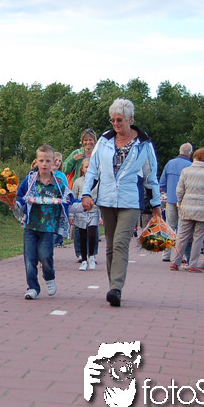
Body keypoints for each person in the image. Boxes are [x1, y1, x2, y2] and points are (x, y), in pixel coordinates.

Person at [81, 98, 161, 307]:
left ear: (130, 119)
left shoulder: (143, 144)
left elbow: (150, 175)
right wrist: (86, 194)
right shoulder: (104, 141)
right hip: (106, 198)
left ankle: (116, 287)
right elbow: (93, 169)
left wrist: (156, 204)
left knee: (120, 242)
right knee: (110, 245)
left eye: (120, 120)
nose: (116, 124)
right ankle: (113, 286)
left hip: (130, 200)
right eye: (113, 120)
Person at [16, 144, 81, 299]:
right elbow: (20, 197)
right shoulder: (30, 180)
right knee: (30, 258)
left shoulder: (58, 183)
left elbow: (69, 200)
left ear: (53, 162)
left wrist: (83, 205)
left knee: (45, 256)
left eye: (47, 160)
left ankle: (49, 276)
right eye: (41, 160)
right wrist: (15, 204)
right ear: (36, 162)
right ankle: (33, 287)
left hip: (49, 227)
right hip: (31, 226)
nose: (44, 164)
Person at [170, 149, 204, 272]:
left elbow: (179, 190)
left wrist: (180, 202)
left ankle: (175, 262)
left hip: (187, 207)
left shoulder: (186, 171)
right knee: (198, 238)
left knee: (182, 236)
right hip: (203, 210)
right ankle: (193, 264)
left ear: (195, 158)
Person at [64, 130, 97, 261]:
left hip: (94, 189)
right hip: (79, 188)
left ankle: (92, 253)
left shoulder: (98, 153)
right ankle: (79, 253)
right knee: (79, 224)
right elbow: (64, 168)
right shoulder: (77, 153)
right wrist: (73, 160)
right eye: (85, 140)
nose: (88, 143)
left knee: (93, 225)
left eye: (90, 140)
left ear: (94, 141)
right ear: (82, 141)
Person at [159, 142, 193, 263]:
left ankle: (166, 254)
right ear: (191, 153)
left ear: (179, 151)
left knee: (169, 226)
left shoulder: (170, 163)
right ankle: (180, 254)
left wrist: (170, 192)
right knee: (183, 229)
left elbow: (162, 183)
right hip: (185, 201)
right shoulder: (190, 166)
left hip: (171, 200)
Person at [72, 158, 100, 270]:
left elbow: (101, 197)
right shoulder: (78, 181)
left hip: (94, 211)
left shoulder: (98, 181)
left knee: (92, 235)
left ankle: (91, 256)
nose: (88, 169)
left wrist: (101, 215)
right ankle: (84, 260)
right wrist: (71, 215)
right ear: (82, 169)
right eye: (86, 167)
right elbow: (73, 197)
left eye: (90, 167)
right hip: (81, 212)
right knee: (82, 236)